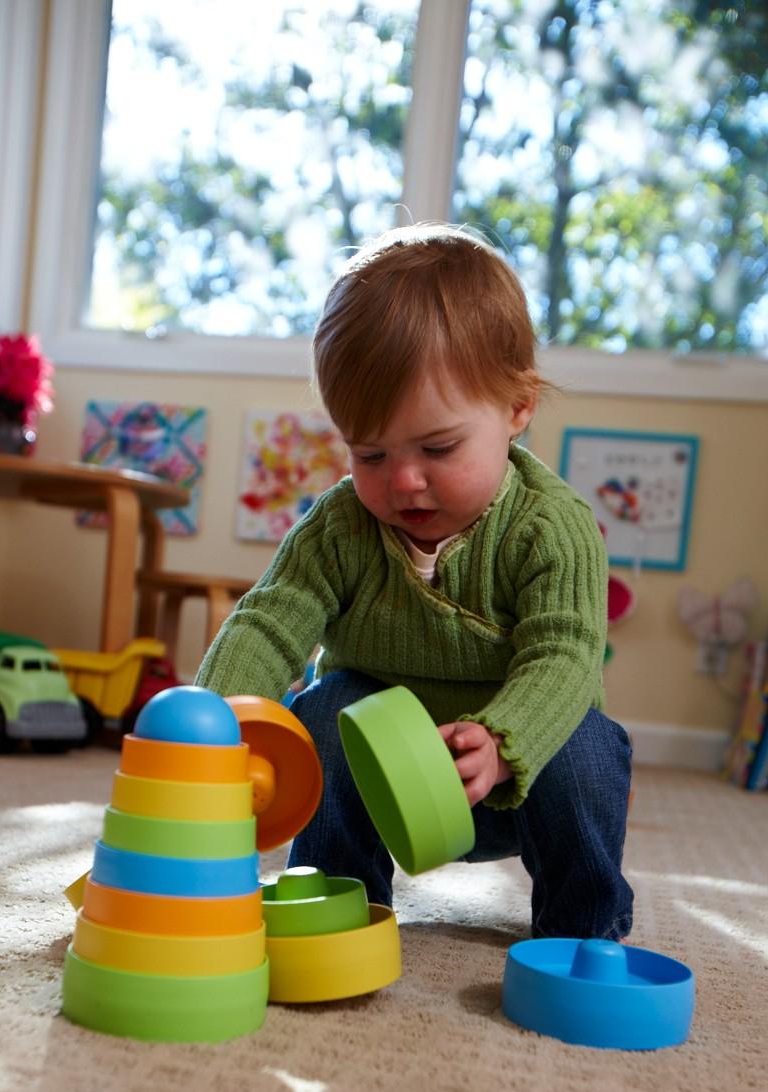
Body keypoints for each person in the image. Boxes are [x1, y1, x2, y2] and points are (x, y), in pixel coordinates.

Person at [196, 222, 633, 940]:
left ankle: (581, 931)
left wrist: (501, 741)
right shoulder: (339, 528)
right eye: (369, 453)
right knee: (324, 707)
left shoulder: (551, 527)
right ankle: (337, 901)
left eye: (438, 447)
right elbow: (270, 621)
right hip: (380, 776)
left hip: (510, 778)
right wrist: (208, 724)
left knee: (586, 745)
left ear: (518, 410)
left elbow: (565, 656)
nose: (403, 480)